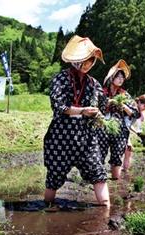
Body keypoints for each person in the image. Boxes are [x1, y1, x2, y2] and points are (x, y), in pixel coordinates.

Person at [43, 35, 110, 206]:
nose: (88, 64)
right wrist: (82, 111)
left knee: (97, 171)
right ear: (77, 60)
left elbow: (103, 105)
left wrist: (101, 112)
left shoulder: (94, 84)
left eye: (91, 61)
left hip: (86, 138)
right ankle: (47, 207)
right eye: (86, 60)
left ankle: (106, 209)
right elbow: (58, 106)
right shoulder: (61, 79)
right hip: (61, 136)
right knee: (55, 175)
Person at [97, 59, 140, 180]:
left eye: (122, 77)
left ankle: (116, 182)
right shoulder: (102, 93)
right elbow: (96, 108)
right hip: (103, 128)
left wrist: (124, 107)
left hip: (120, 131)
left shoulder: (125, 95)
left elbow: (136, 113)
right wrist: (109, 102)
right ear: (111, 78)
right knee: (100, 154)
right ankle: (100, 181)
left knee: (117, 156)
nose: (121, 79)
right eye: (118, 76)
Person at [122, 97, 145, 172]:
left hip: (125, 129)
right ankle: (121, 169)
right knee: (128, 148)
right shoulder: (132, 109)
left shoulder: (137, 112)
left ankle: (125, 169)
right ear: (139, 103)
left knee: (128, 150)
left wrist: (137, 132)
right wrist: (128, 140)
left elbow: (130, 125)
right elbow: (125, 124)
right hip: (121, 129)